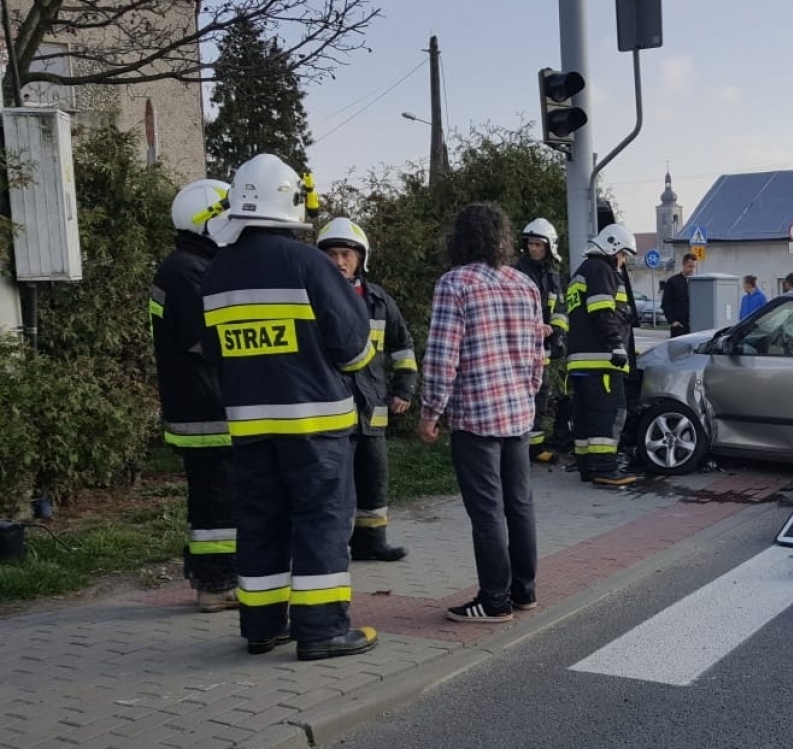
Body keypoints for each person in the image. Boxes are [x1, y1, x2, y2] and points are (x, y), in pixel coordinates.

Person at [200, 154, 379, 661]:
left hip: (250, 427)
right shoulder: (310, 264)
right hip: (316, 425)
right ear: (289, 203)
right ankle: (322, 631)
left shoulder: (216, 273)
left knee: (260, 521)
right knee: (322, 522)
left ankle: (261, 627)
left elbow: (213, 352)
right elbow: (354, 345)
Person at [418, 203, 545, 623]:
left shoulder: (455, 284)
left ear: (459, 238)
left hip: (475, 415)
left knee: (487, 511)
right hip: (517, 414)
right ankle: (524, 592)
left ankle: (494, 601)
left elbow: (441, 356)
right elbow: (535, 357)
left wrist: (430, 411)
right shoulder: (525, 284)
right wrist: (527, 394)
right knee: (520, 504)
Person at [151, 178, 238, 614]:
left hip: (199, 404)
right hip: (205, 407)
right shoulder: (188, 271)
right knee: (218, 499)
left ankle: (216, 577)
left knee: (214, 498)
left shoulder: (185, 265)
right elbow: (212, 339)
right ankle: (216, 585)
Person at [315, 217, 417, 563]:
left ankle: (371, 543)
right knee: (334, 483)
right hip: (331, 407)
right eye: (331, 255)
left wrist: (404, 389)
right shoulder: (310, 298)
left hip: (371, 407)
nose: (339, 261)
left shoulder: (378, 300)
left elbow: (402, 347)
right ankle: (332, 547)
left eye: (346, 254)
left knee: (373, 478)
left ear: (361, 258)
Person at [565, 223, 640, 487]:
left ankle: (588, 467)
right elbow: (602, 311)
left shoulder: (582, 271)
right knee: (609, 413)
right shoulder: (602, 270)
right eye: (623, 255)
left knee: (585, 415)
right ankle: (606, 468)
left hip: (580, 360)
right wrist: (617, 345)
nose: (623, 261)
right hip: (602, 359)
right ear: (612, 246)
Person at [514, 218, 571, 464]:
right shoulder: (518, 271)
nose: (533, 248)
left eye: (538, 244)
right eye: (531, 244)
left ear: (549, 246)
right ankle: (519, 446)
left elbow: (558, 307)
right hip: (522, 345)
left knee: (541, 393)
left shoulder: (551, 273)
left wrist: (557, 333)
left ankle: (534, 448)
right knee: (523, 394)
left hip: (542, 346)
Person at [661, 252, 696, 337]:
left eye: (694, 267)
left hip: (694, 327)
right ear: (683, 265)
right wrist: (672, 321)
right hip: (679, 327)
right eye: (690, 266)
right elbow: (666, 303)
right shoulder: (673, 282)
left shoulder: (697, 283)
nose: (692, 269)